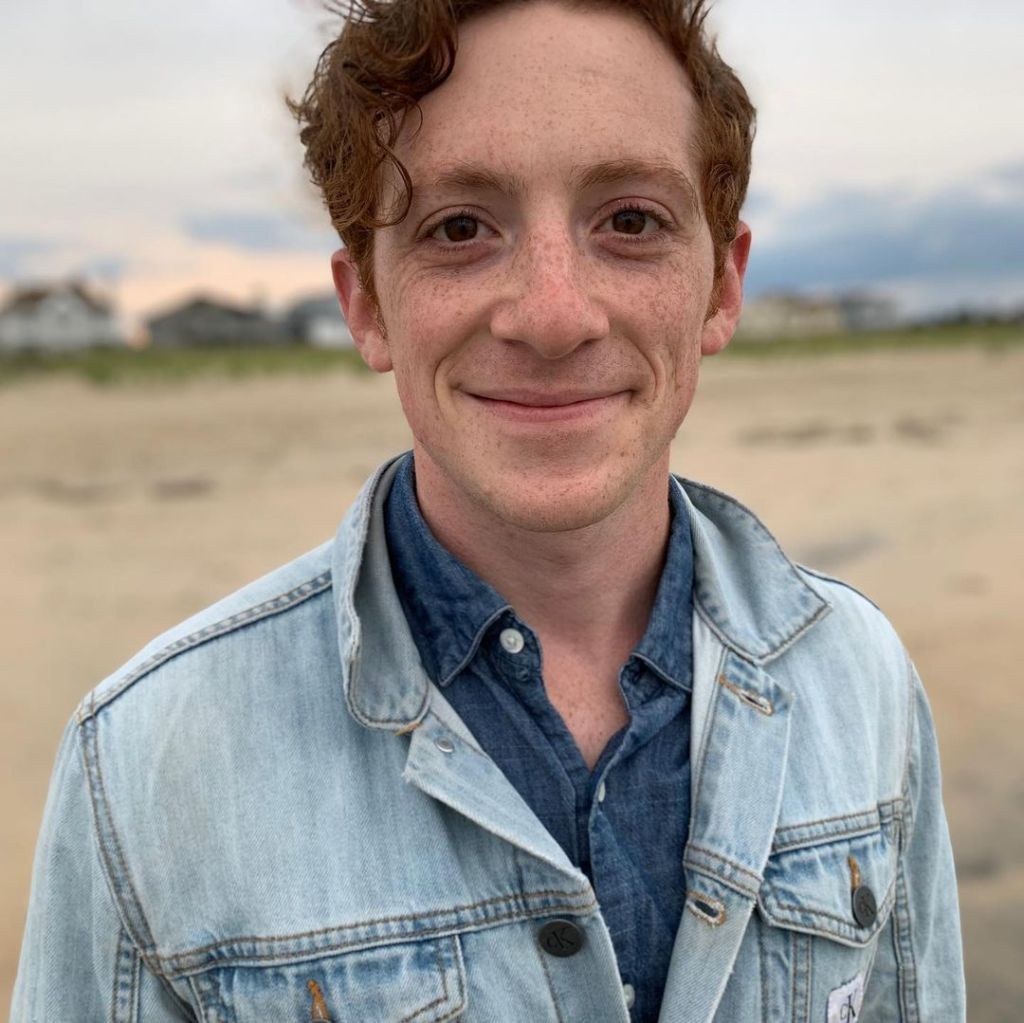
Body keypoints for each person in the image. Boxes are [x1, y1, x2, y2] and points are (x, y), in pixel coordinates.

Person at [12, 0, 965, 1019]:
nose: (553, 315)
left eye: (630, 221)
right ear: (366, 303)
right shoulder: (149, 755)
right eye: (459, 228)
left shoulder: (858, 677)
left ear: (719, 289)